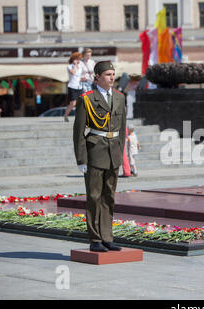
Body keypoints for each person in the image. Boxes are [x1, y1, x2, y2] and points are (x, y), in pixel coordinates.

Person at [73, 60, 126, 252]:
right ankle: (95, 239)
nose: (112, 77)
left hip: (113, 153)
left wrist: (120, 154)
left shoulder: (120, 98)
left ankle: (107, 237)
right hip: (95, 152)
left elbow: (122, 128)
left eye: (113, 74)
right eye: (107, 74)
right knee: (94, 196)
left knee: (108, 197)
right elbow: (79, 131)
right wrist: (81, 159)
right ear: (97, 77)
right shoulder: (86, 99)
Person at [64, 52, 83, 122]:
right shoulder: (69, 66)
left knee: (82, 103)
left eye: (79, 59)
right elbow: (73, 72)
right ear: (74, 59)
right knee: (73, 104)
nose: (79, 60)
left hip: (79, 86)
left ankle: (80, 117)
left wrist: (82, 78)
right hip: (72, 86)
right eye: (78, 59)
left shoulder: (80, 66)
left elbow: (79, 75)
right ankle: (66, 115)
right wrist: (75, 65)